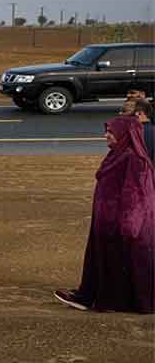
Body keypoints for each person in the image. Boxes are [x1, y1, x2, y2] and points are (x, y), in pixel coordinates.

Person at [54, 115, 155, 313]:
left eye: (111, 132)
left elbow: (136, 196)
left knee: (117, 263)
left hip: (119, 225)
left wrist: (129, 227)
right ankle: (92, 296)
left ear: (125, 134)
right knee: (103, 261)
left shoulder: (135, 160)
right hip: (107, 222)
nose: (106, 135)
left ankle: (105, 301)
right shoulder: (117, 154)